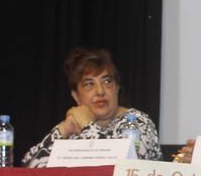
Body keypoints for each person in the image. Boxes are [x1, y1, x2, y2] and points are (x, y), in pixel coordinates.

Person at [22, 47, 161, 167]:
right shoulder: (73, 127)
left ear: (116, 89)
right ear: (76, 96)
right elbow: (29, 168)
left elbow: (119, 171)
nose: (100, 91)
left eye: (107, 81)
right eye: (89, 84)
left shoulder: (136, 123)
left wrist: (87, 125)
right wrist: (63, 129)